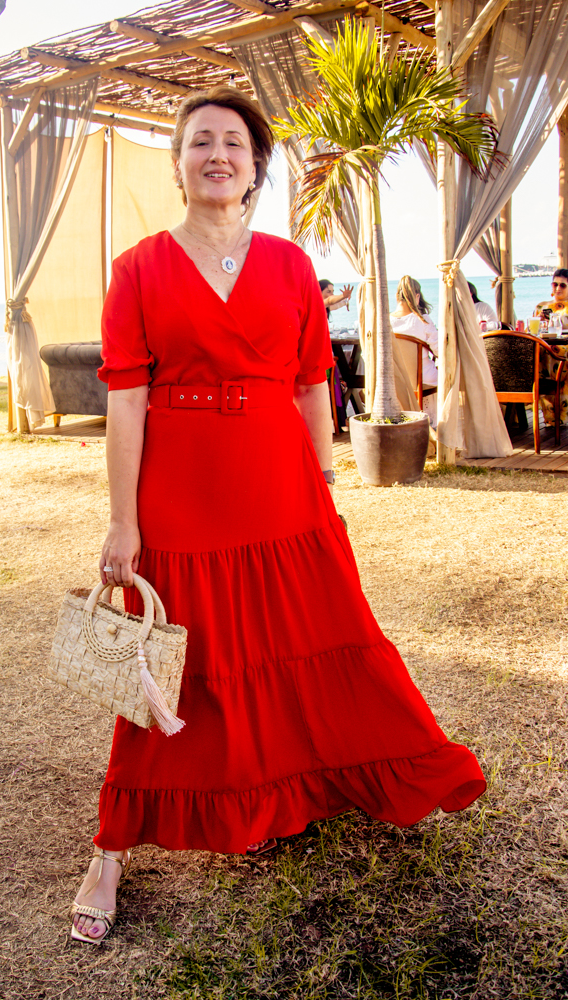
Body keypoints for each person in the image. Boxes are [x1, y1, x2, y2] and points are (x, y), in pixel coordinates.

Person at [70, 86, 486, 944]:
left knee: (310, 636)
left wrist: (322, 485)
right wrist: (122, 521)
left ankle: (281, 792)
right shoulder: (138, 268)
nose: (217, 154)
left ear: (256, 167)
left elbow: (308, 386)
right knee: (175, 665)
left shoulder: (292, 266)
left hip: (280, 479)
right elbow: (125, 402)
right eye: (199, 142)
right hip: (181, 488)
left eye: (233, 142)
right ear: (179, 164)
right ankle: (110, 848)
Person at [390, 276, 439, 425]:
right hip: (421, 378)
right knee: (447, 375)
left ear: (396, 296)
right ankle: (434, 423)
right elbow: (439, 350)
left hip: (394, 379)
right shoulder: (423, 320)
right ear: (417, 296)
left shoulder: (385, 321)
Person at [535, 269, 568, 426]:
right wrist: (540, 321)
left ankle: (561, 416)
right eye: (555, 284)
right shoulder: (541, 306)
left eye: (563, 285)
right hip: (544, 345)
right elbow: (532, 330)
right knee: (535, 355)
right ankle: (549, 416)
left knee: (559, 354)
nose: (558, 288)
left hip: (563, 347)